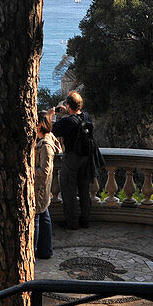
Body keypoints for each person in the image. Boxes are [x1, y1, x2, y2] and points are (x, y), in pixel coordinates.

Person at [53, 91, 95, 230]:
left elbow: (52, 130)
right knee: (84, 189)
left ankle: (72, 222)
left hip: (72, 158)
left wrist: (52, 114)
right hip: (86, 157)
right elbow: (75, 121)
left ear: (68, 105)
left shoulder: (67, 121)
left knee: (68, 190)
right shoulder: (86, 116)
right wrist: (68, 113)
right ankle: (86, 220)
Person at [33, 110, 60, 259]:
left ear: (39, 125)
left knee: (37, 218)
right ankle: (45, 250)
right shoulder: (49, 138)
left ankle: (35, 252)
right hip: (43, 187)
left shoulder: (45, 146)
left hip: (40, 187)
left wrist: (30, 168)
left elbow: (44, 170)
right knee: (44, 217)